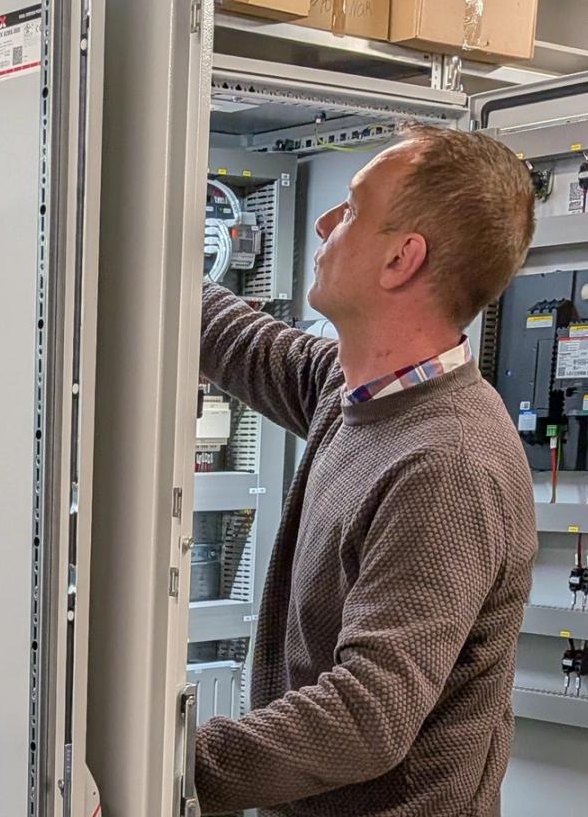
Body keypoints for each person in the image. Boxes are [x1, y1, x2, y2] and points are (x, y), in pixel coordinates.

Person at [194, 124, 539, 817]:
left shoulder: (447, 463)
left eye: (351, 210)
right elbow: (239, 340)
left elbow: (368, 714)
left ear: (401, 259)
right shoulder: (354, 389)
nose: (325, 223)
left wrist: (171, 764)